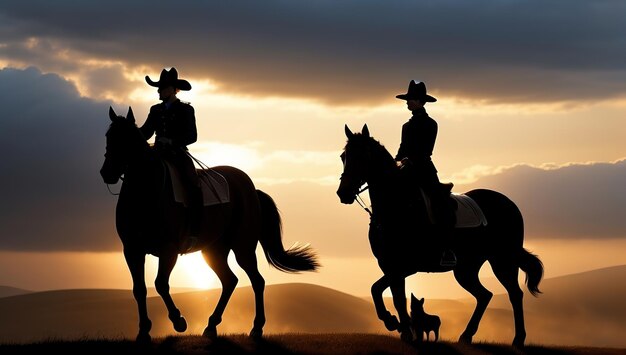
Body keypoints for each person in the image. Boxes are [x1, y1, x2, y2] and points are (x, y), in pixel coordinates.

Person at [395, 79, 456, 267]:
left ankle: (447, 248)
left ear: (421, 102)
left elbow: (426, 150)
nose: (407, 102)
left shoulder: (430, 124)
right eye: (408, 99)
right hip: (406, 169)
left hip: (424, 169)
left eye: (411, 99)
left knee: (440, 203)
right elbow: (402, 148)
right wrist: (395, 162)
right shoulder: (406, 125)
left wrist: (410, 161)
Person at [140, 67, 202, 252]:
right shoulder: (155, 109)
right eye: (158, 88)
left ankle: (194, 232)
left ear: (173, 89)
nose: (159, 91)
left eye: (162, 88)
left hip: (177, 154)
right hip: (157, 154)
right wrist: (130, 133)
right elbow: (146, 132)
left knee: (193, 185)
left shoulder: (186, 109)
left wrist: (172, 141)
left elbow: (192, 136)